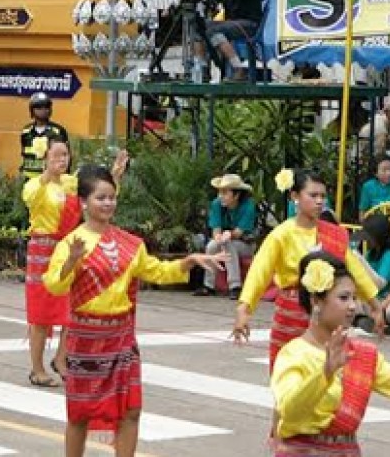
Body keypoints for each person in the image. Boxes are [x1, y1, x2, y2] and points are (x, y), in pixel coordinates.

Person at [43, 165, 225, 457]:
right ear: (84, 202)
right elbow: (54, 285)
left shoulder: (130, 243)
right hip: (87, 340)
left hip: (122, 338)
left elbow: (157, 271)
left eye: (111, 197)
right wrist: (70, 262)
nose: (108, 203)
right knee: (79, 415)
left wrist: (187, 262)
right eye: (100, 198)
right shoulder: (71, 243)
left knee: (131, 411)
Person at [272, 252, 390, 455]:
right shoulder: (294, 354)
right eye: (343, 298)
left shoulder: (361, 353)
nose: (352, 306)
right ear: (316, 302)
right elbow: (290, 411)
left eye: (354, 298)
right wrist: (325, 373)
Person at [234, 169, 380, 363]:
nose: (319, 201)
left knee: (328, 374)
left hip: (328, 312)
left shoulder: (334, 234)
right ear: (295, 196)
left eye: (322, 196)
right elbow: (259, 273)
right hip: (292, 313)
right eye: (313, 195)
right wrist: (244, 310)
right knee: (290, 373)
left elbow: (355, 271)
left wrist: (375, 306)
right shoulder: (282, 234)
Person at [23, 139, 80, 386]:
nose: (62, 160)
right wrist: (47, 175)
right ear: (44, 157)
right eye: (56, 155)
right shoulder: (34, 184)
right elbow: (32, 200)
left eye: (65, 155)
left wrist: (115, 176)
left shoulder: (71, 184)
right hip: (42, 250)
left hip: (65, 249)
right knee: (41, 312)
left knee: (72, 306)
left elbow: (94, 195)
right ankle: (36, 368)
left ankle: (61, 357)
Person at [201, 173, 260, 296]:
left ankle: (235, 286)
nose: (220, 196)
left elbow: (239, 233)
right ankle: (208, 285)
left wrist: (227, 236)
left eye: (225, 193)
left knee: (228, 244)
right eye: (220, 192)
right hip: (224, 240)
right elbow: (215, 228)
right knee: (211, 246)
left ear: (236, 195)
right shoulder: (217, 204)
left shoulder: (248, 206)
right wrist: (218, 237)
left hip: (246, 244)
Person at [18, 93, 69, 181]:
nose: (43, 110)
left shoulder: (57, 131)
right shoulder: (26, 131)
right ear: (32, 110)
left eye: (46, 106)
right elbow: (24, 152)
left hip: (50, 180)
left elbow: (65, 156)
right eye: (38, 107)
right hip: (29, 180)